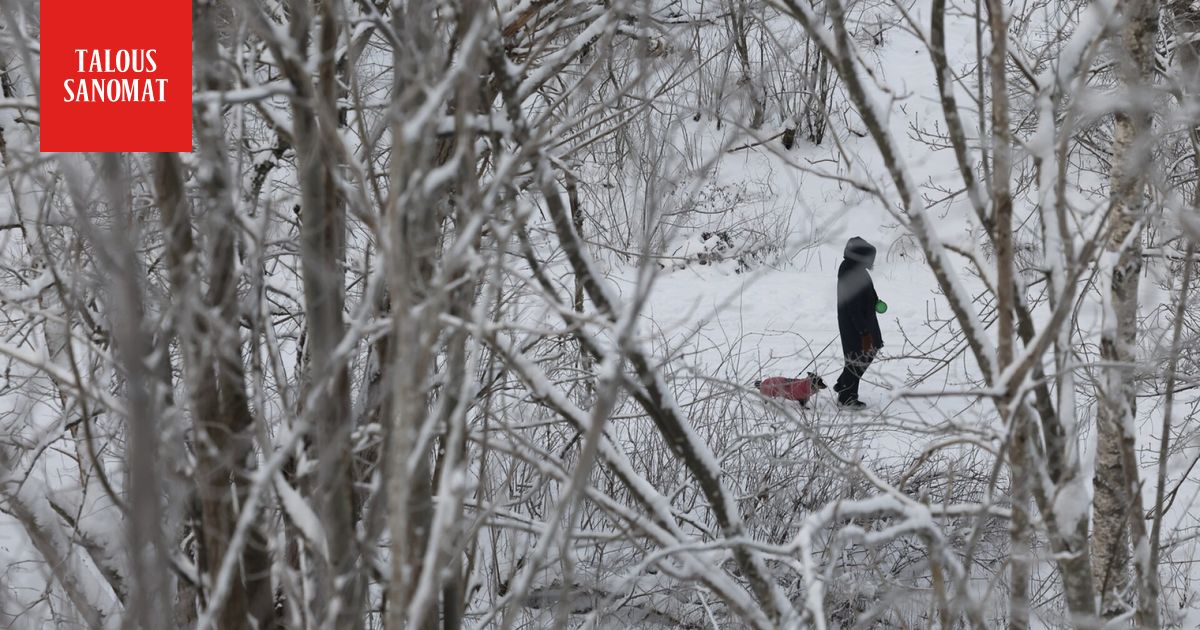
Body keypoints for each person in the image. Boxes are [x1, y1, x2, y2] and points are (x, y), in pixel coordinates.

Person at [835, 237, 883, 408]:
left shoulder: (855, 268)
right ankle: (846, 397)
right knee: (859, 358)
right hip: (857, 324)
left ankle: (844, 386)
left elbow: (867, 291)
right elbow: (853, 306)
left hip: (862, 321)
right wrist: (863, 332)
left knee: (859, 357)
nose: (872, 261)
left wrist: (875, 300)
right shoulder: (851, 271)